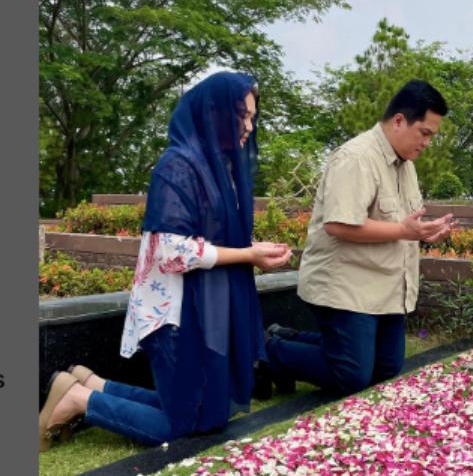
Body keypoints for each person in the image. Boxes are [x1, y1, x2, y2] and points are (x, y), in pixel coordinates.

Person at [37, 71, 293, 451]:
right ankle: (80, 400)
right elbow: (171, 250)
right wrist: (248, 255)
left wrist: (255, 250)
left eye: (253, 117)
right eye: (242, 115)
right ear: (214, 114)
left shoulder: (218, 169)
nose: (249, 126)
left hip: (206, 309)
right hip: (176, 313)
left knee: (210, 415)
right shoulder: (179, 164)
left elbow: (213, 237)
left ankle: (91, 384)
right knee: (180, 426)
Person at [265, 79, 457, 397]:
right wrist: (404, 231)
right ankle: (271, 350)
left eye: (431, 136)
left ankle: (284, 337)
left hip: (385, 286)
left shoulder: (406, 165)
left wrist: (424, 233)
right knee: (352, 377)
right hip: (346, 285)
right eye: (424, 133)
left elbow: (400, 224)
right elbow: (338, 225)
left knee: (386, 370)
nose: (427, 143)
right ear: (399, 121)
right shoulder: (356, 158)